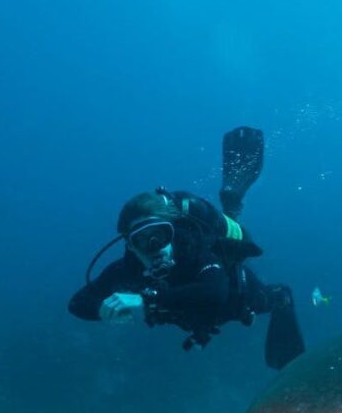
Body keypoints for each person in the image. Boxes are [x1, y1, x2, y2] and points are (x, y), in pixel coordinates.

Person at [68, 127, 305, 369]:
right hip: (193, 318)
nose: (154, 247)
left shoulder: (194, 248)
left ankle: (278, 292)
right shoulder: (130, 268)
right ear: (130, 246)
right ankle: (230, 206)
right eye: (142, 240)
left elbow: (215, 291)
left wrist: (145, 300)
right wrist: (103, 309)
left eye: (160, 235)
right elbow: (78, 303)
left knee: (263, 299)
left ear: (172, 231)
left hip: (233, 300)